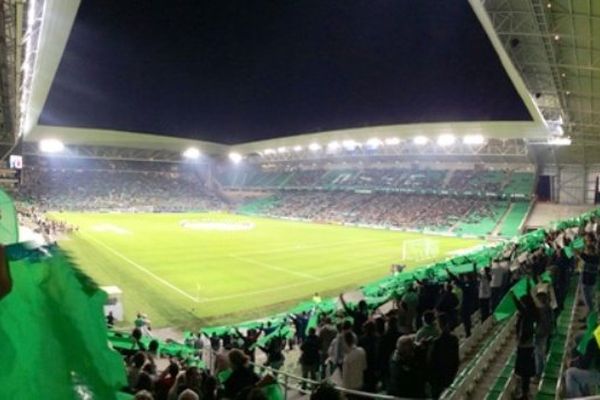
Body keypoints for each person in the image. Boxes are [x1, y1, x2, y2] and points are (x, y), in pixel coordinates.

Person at [510, 281, 537, 400]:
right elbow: (522, 305)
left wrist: (513, 295)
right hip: (529, 346)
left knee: (524, 372)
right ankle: (524, 392)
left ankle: (524, 394)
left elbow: (520, 308)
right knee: (525, 372)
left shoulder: (527, 314)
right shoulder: (531, 311)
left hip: (525, 346)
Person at [428, 313, 459, 398]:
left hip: (437, 377)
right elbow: (456, 360)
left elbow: (432, 361)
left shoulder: (436, 342)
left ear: (439, 325)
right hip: (449, 374)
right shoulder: (454, 339)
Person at [358, 320, 380, 392]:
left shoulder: (362, 339)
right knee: (373, 385)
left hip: (365, 365)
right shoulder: (378, 338)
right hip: (374, 365)